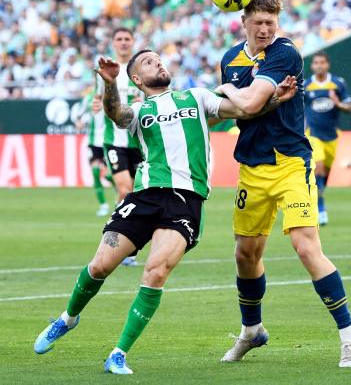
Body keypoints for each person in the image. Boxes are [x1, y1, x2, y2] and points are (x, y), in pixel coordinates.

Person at [33, 51, 297, 375]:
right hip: (144, 196)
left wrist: (275, 100)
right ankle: (68, 318)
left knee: (155, 272)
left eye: (158, 59)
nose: (157, 62)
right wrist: (109, 84)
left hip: (184, 202)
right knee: (100, 265)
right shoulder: (140, 110)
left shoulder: (197, 97)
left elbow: (242, 108)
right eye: (147, 62)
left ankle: (118, 353)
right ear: (137, 80)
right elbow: (115, 112)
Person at [216, 0, 351, 368]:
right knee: (245, 254)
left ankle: (349, 336)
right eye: (258, 23)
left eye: (271, 23)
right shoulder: (229, 59)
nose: (265, 30)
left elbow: (243, 104)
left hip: (291, 163)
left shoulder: (285, 53)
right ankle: (251, 331)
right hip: (252, 165)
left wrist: (232, 91)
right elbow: (240, 116)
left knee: (305, 247)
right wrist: (267, 101)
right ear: (243, 22)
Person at [102, 28, 145, 266]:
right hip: (115, 142)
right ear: (113, 43)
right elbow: (97, 101)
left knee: (139, 193)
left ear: (133, 42)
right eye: (119, 39)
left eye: (127, 39)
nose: (123, 43)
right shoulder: (107, 71)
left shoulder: (140, 69)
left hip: (139, 141)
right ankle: (122, 244)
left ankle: (128, 240)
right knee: (124, 190)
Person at [304, 51, 351, 226]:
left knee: (325, 176)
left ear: (327, 65)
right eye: (316, 63)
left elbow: (349, 107)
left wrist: (337, 103)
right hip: (313, 134)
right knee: (319, 167)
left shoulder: (338, 84)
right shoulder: (306, 85)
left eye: (322, 62)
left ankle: (318, 198)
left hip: (331, 136)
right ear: (312, 66)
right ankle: (321, 209)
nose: (319, 65)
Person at [75, 90, 110, 217]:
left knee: (109, 175)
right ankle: (103, 205)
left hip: (108, 141)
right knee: (95, 172)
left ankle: (121, 197)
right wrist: (79, 122)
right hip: (93, 141)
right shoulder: (89, 98)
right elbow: (78, 115)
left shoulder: (111, 96)